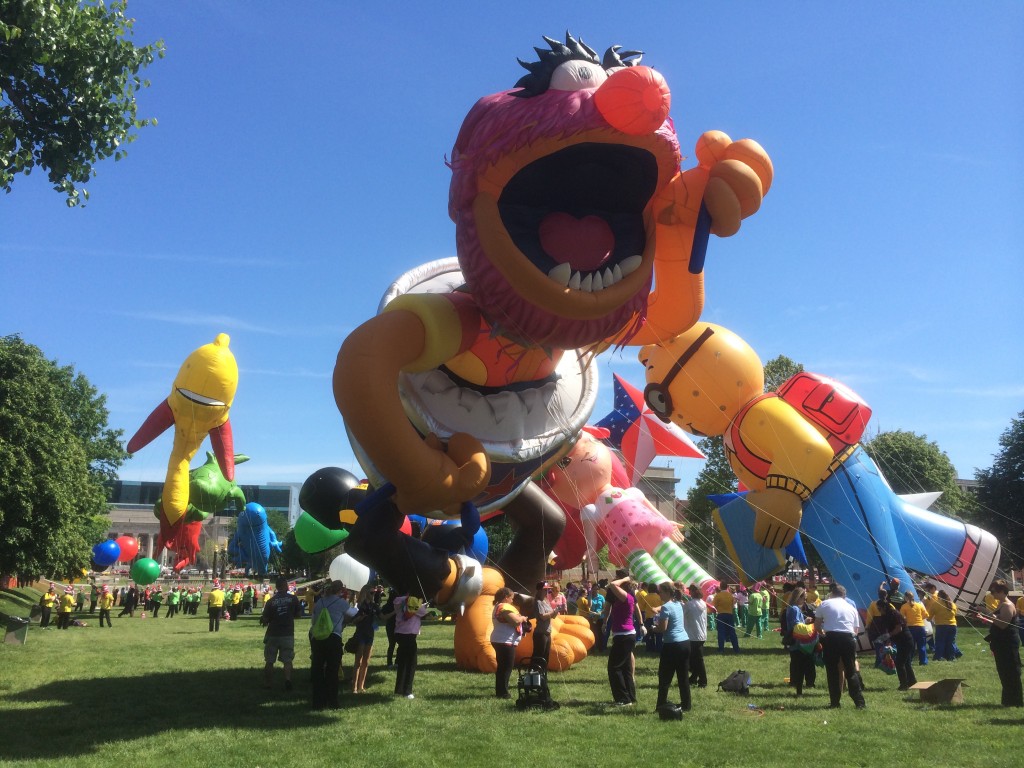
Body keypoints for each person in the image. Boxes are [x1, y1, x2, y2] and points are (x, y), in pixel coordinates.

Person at [814, 583, 866, 709]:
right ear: (844, 595)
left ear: (832, 593)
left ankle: (835, 702)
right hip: (848, 639)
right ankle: (859, 702)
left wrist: (823, 634)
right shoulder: (851, 607)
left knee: (832, 671)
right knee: (851, 670)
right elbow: (856, 630)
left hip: (831, 638)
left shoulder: (824, 604)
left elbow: (816, 626)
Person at [310, 580, 357, 709]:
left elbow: (313, 620)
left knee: (318, 670)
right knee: (332, 671)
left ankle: (317, 702)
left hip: (318, 638)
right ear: (340, 590)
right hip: (333, 637)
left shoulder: (320, 602)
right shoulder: (341, 603)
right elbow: (353, 614)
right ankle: (332, 701)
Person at [653, 582, 691, 715]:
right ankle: (686, 705)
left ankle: (660, 704)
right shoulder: (679, 604)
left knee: (664, 677)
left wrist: (654, 628)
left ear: (668, 593)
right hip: (685, 642)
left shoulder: (665, 607)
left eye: (661, 592)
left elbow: (663, 628)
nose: (659, 594)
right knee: (683, 677)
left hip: (672, 645)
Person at [605, 574, 642, 706]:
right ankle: (630, 697)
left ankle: (623, 699)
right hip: (626, 635)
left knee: (614, 667)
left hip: (623, 635)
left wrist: (625, 579)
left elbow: (612, 585)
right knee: (626, 668)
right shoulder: (628, 597)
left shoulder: (626, 597)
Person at [985, 579, 1022, 707]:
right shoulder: (1000, 604)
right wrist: (983, 617)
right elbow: (996, 621)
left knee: (1010, 671)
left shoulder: (1007, 605)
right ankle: (1008, 701)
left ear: (1001, 592)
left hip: (1008, 643)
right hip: (1001, 643)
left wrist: (987, 614)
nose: (992, 594)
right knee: (1003, 671)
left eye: (993, 591)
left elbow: (1002, 625)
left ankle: (1015, 701)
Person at [261, 576, 301, 692]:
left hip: (273, 633)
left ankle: (268, 683)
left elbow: (265, 619)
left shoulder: (270, 601)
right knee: (288, 660)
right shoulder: (293, 599)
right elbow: (298, 615)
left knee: (269, 660)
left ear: (277, 587)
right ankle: (288, 679)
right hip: (287, 633)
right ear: (285, 586)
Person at [490, 587, 530, 699]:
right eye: (511, 598)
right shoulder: (504, 607)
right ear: (506, 598)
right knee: (506, 667)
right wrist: (522, 618)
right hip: (504, 641)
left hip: (500, 639)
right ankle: (503, 693)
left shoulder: (499, 606)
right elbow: (515, 621)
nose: (512, 601)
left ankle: (500, 691)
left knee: (503, 667)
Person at [781, 587, 816, 696]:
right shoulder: (795, 609)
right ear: (798, 598)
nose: (804, 601)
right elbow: (797, 624)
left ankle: (795, 683)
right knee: (801, 663)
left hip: (794, 639)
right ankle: (799, 686)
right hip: (798, 640)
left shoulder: (790, 608)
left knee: (796, 663)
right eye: (804, 598)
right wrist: (805, 621)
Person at [393, 592, 429, 699]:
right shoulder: (414, 602)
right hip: (409, 635)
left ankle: (399, 688)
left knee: (402, 662)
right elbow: (423, 612)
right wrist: (423, 605)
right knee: (411, 663)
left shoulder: (398, 601)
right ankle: (407, 691)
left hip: (399, 633)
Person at [351, 584, 383, 694]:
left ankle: (361, 686)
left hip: (370, 635)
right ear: (365, 593)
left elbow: (383, 617)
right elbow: (353, 621)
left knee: (366, 662)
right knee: (358, 662)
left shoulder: (374, 606)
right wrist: (360, 618)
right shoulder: (359, 606)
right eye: (372, 592)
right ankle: (354, 687)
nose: (374, 595)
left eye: (375, 592)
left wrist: (396, 612)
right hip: (361, 634)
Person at [682, 583, 708, 688]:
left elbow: (682, 613)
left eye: (690, 591)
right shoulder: (703, 603)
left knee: (697, 660)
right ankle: (693, 678)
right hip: (701, 634)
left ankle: (703, 681)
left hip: (693, 635)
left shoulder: (690, 604)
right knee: (695, 659)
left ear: (692, 592)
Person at [900, 590, 930, 666]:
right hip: (920, 627)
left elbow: (901, 618)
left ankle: (909, 661)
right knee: (922, 645)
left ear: (906, 597)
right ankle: (923, 661)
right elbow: (926, 615)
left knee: (910, 646)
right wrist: (920, 618)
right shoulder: (919, 605)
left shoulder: (904, 606)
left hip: (910, 628)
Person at [531, 581, 555, 666]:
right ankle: (534, 676)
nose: (547, 592)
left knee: (545, 657)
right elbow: (542, 616)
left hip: (547, 632)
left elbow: (551, 615)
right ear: (540, 590)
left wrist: (555, 612)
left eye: (548, 590)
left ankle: (543, 676)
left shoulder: (546, 602)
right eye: (545, 590)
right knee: (539, 656)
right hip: (540, 633)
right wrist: (552, 613)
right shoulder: (538, 602)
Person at [930, 589, 958, 661]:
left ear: (938, 596)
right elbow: (955, 614)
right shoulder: (953, 604)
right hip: (952, 625)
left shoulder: (936, 603)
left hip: (941, 625)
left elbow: (930, 616)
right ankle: (951, 656)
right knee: (951, 642)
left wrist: (928, 620)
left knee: (940, 641)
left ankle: (938, 656)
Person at [712, 584, 740, 652]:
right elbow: (732, 604)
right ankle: (736, 649)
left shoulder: (717, 595)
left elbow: (713, 606)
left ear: (721, 587)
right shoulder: (730, 595)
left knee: (721, 632)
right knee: (732, 632)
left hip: (721, 615)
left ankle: (721, 649)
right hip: (729, 615)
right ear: (727, 587)